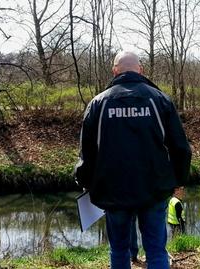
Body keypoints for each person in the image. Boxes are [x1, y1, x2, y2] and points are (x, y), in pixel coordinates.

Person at [75, 51, 192, 269]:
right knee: (156, 250)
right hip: (155, 188)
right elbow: (181, 148)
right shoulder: (161, 100)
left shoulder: (98, 104)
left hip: (113, 190)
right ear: (141, 70)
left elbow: (87, 153)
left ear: (114, 70)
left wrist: (85, 181)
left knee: (118, 249)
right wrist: (179, 179)